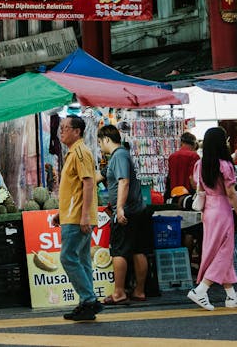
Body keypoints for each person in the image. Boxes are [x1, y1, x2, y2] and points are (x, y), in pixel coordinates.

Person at [186, 127, 237, 310]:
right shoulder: (225, 165)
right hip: (222, 210)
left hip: (208, 210)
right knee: (224, 252)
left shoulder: (201, 164)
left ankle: (231, 296)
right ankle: (201, 289)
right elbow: (231, 193)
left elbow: (199, 190)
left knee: (218, 251)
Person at [53, 115, 100, 321]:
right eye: (61, 128)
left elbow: (88, 184)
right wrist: (60, 214)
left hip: (77, 218)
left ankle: (89, 300)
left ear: (77, 131)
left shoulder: (80, 152)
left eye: (65, 128)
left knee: (68, 257)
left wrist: (85, 216)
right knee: (82, 260)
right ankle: (86, 303)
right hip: (71, 215)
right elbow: (75, 189)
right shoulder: (74, 152)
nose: (61, 131)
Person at [97, 124, 150, 305]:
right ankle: (139, 291)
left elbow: (124, 182)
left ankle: (119, 292)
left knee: (118, 251)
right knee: (138, 250)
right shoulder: (119, 156)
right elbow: (99, 176)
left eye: (99, 142)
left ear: (106, 139)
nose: (99, 146)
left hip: (126, 212)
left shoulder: (118, 156)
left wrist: (119, 208)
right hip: (138, 210)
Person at [167, 132, 200, 198]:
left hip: (174, 193)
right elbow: (192, 178)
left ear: (181, 143)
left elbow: (170, 176)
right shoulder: (194, 156)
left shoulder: (172, 156)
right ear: (194, 145)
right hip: (188, 194)